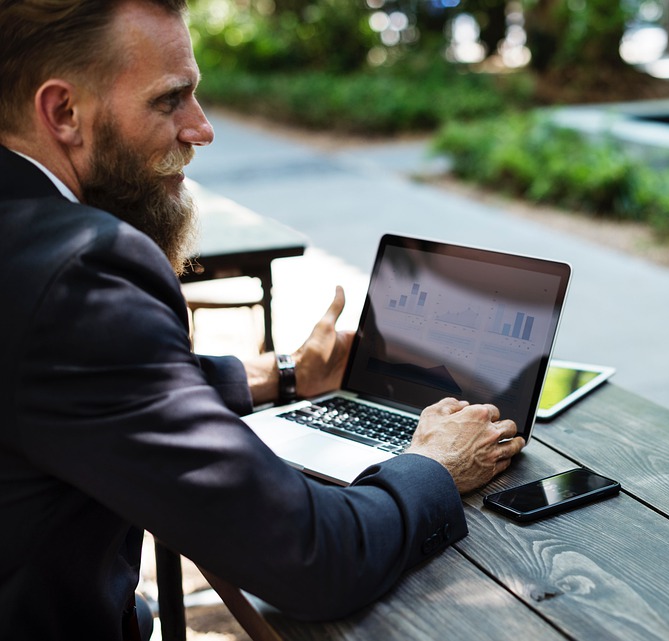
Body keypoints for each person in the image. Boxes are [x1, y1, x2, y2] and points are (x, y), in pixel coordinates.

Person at [0, 1, 526, 639]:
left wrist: (282, 374)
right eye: (170, 100)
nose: (202, 128)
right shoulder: (80, 270)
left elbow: (66, 383)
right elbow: (313, 559)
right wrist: (436, 465)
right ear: (62, 113)